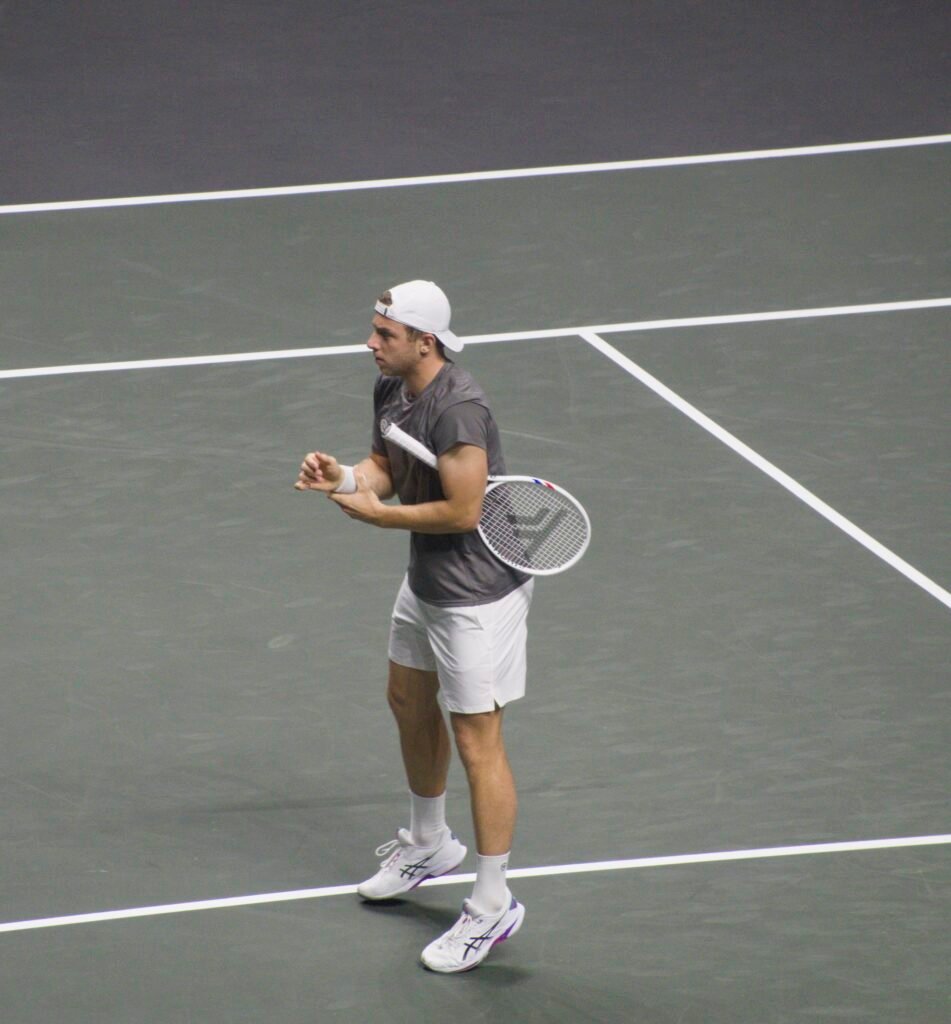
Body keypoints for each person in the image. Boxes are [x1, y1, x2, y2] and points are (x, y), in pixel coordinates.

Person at [295, 280, 534, 973]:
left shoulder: (459, 409)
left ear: (423, 342)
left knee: (476, 738)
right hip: (428, 577)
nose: (371, 343)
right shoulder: (392, 389)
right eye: (374, 330)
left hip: (477, 596)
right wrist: (343, 477)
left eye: (384, 335)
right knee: (406, 699)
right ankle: (428, 843)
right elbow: (387, 468)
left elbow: (461, 511)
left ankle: (492, 905)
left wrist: (377, 517)